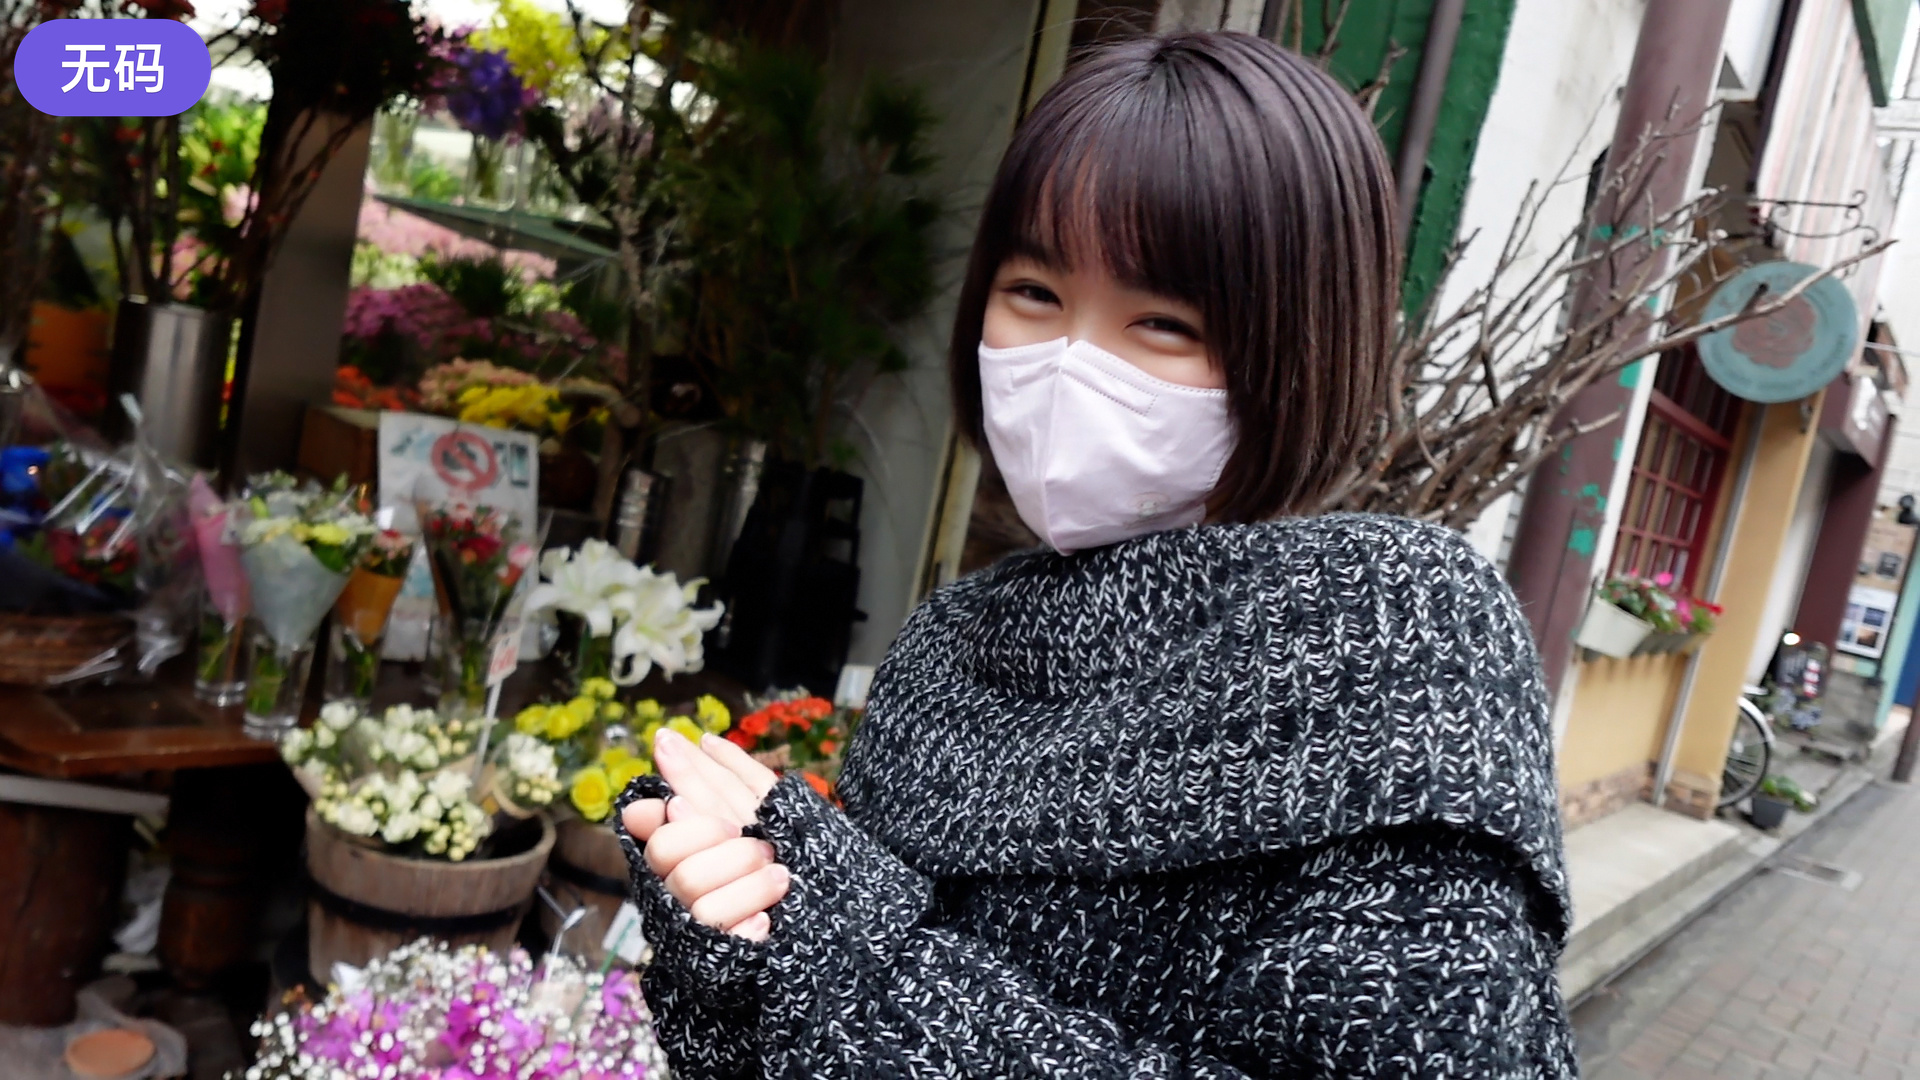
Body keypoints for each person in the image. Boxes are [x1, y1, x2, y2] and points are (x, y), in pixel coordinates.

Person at [617, 30, 1576, 1079]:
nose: (1072, 365)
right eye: (1034, 293)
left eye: (1161, 321)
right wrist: (739, 935)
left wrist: (847, 949)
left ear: (1302, 346)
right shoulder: (951, 645)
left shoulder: (1395, 637)